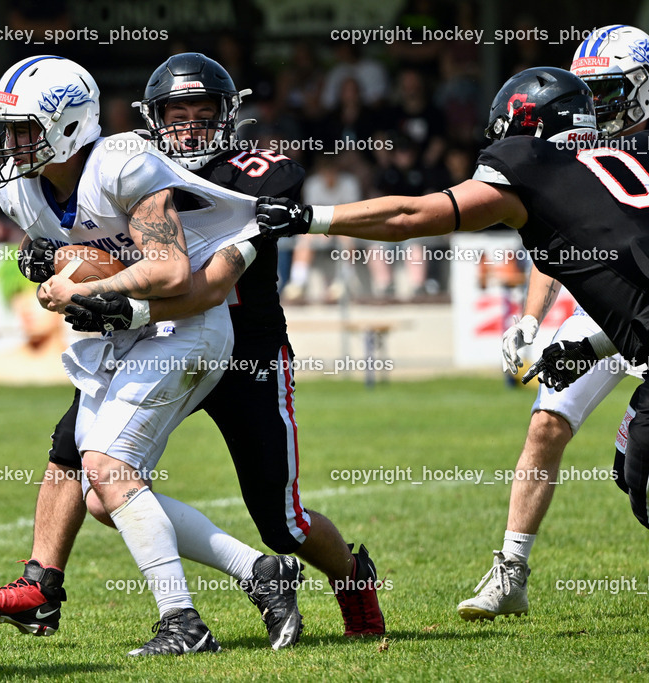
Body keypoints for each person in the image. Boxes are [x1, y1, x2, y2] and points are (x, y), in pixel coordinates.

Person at [0, 53, 385, 650]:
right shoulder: (110, 168)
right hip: (147, 334)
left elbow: (203, 283)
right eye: (178, 113)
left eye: (204, 113)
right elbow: (97, 249)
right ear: (155, 117)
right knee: (83, 464)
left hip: (240, 348)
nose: (191, 125)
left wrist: (98, 290)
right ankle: (43, 584)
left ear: (228, 116)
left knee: (283, 523)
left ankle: (351, 584)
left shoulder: (253, 176)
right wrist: (48, 258)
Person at [257, 66, 649, 571]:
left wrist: (312, 218)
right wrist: (589, 348)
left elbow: (412, 216)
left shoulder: (529, 161)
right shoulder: (622, 161)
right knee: (631, 474)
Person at [456, 25, 649, 621]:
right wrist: (532, 319)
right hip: (606, 310)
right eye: (589, 94)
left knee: (638, 466)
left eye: (612, 92)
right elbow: (556, 240)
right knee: (546, 424)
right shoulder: (577, 153)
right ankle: (510, 572)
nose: (599, 108)